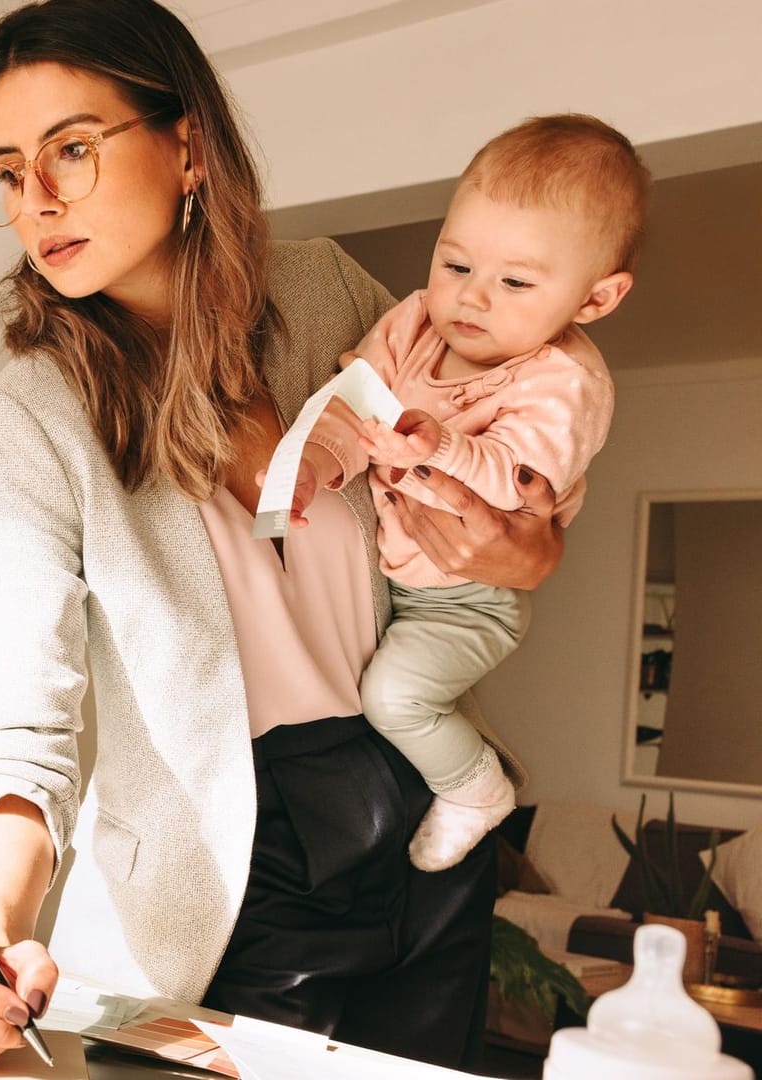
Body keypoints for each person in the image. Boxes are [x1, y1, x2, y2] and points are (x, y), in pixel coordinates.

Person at [0, 0, 565, 1073]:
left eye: (72, 148)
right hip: (229, 864)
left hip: (421, 800)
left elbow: (483, 478)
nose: (38, 201)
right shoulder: (29, 416)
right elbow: (21, 713)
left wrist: (528, 548)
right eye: (10, 170)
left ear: (190, 146)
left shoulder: (326, 291)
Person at [284, 115, 647, 873]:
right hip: (396, 577)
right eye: (455, 264)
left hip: (469, 599)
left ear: (596, 299)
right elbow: (355, 402)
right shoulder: (414, 322)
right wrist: (317, 459)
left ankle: (477, 787)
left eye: (514, 282)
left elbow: (520, 482)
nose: (471, 299)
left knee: (394, 699)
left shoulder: (564, 382)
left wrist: (441, 447)